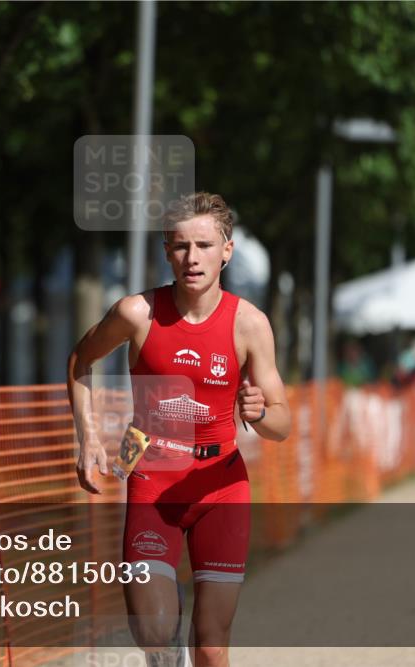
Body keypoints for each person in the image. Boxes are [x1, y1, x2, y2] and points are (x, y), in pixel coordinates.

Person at [67, 192, 291, 667]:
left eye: (205, 245)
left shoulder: (249, 324)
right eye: (181, 246)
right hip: (153, 474)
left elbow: (281, 423)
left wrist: (259, 411)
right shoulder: (136, 314)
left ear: (226, 250)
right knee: (154, 634)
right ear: (166, 251)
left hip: (221, 484)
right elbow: (80, 360)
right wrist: (88, 438)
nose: (193, 258)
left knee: (211, 645)